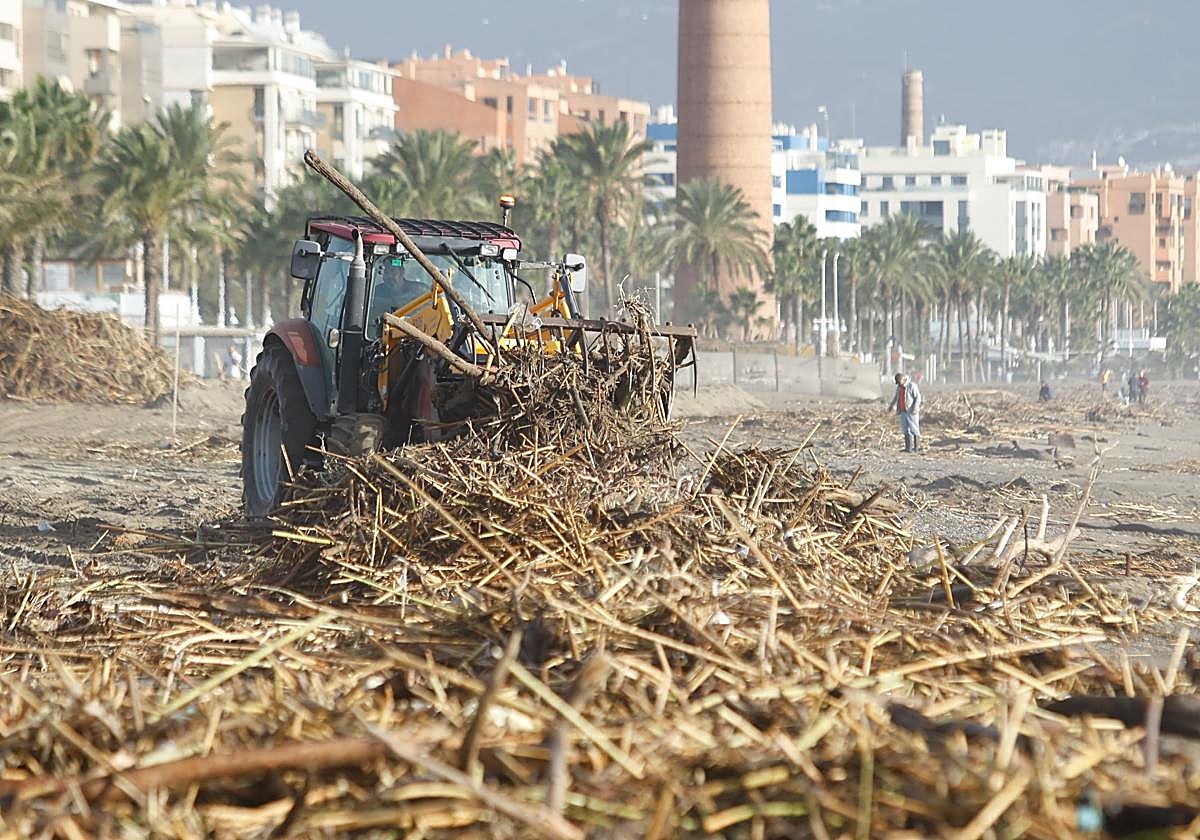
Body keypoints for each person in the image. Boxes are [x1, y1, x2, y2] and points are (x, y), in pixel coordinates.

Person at [887, 371, 922, 453]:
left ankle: (916, 448)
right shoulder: (899, 387)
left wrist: (915, 408)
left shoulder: (911, 386)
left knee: (914, 429)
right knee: (905, 429)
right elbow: (896, 397)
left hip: (911, 411)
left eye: (899, 382)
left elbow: (918, 398)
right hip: (902, 411)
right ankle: (908, 448)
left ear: (903, 379)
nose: (899, 384)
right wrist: (891, 406)